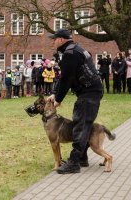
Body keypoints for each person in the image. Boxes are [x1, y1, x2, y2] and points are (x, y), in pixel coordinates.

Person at [47, 29, 103, 174]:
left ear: (60, 39)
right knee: (82, 123)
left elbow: (67, 79)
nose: (53, 42)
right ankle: (82, 158)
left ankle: (73, 163)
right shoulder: (74, 49)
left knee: (80, 125)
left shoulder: (70, 53)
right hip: (90, 92)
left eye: (54, 39)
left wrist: (58, 99)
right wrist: (54, 93)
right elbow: (64, 76)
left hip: (89, 93)